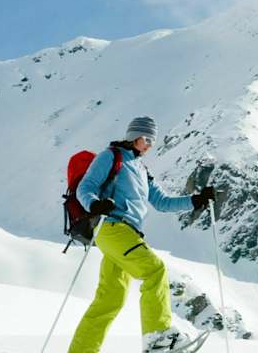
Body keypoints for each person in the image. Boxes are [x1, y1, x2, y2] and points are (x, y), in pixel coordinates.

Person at [69, 116, 215, 353]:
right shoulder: (111, 156)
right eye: (146, 139)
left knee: (109, 301)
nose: (149, 145)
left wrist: (195, 200)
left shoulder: (141, 169)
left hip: (126, 233)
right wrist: (94, 205)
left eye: (153, 142)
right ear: (133, 136)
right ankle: (158, 338)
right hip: (113, 228)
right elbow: (86, 188)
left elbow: (162, 202)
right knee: (155, 270)